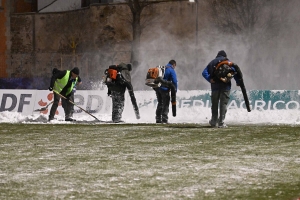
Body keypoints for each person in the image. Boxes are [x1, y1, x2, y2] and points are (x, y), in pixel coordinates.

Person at [202, 50, 240, 128]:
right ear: (225, 56)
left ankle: (213, 121)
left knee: (215, 104)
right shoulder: (227, 62)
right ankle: (221, 122)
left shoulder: (212, 62)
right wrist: (238, 82)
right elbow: (235, 71)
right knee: (223, 104)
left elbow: (204, 72)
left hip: (215, 87)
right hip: (225, 87)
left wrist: (210, 79)